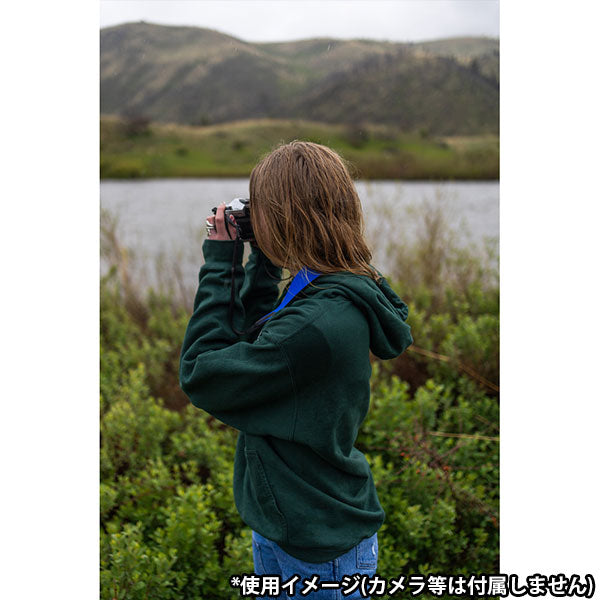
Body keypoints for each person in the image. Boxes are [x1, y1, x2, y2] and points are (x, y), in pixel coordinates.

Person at [179, 141, 413, 599]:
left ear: (285, 218)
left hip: (316, 550)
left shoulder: (316, 323)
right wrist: (265, 259)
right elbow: (257, 338)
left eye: (262, 209)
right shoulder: (333, 287)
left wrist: (221, 261)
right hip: (296, 526)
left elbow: (202, 372)